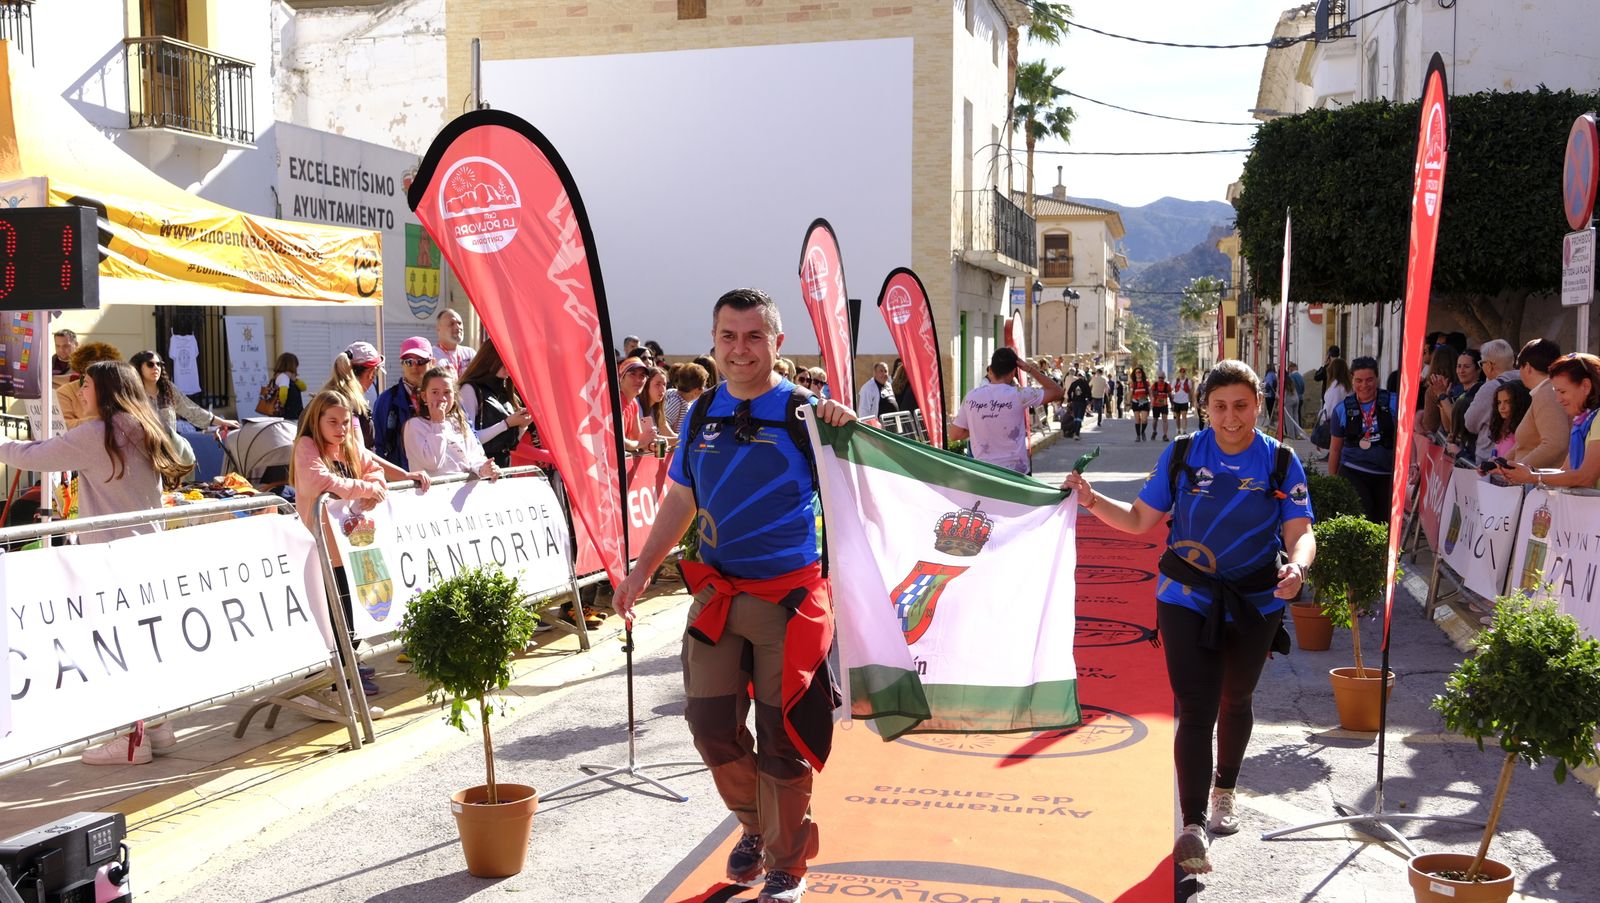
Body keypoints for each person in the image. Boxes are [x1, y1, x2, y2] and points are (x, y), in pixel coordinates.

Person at [612, 287, 857, 903]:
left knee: (782, 736)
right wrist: (640, 573)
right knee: (710, 726)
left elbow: (860, 492)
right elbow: (680, 498)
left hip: (789, 602)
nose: (740, 349)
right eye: (728, 336)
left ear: (777, 342)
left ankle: (787, 863)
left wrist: (847, 430)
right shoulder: (699, 413)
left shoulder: (806, 413)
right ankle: (756, 826)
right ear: (713, 341)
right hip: (717, 595)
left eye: (754, 336)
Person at [1062, 359, 1314, 877]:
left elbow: (1300, 530)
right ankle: (1193, 824)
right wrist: (1091, 500)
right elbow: (1139, 520)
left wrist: (1298, 567)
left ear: (1259, 406)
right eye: (1219, 406)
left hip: (1256, 600)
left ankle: (1225, 789)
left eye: (1241, 405)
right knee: (1196, 707)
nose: (1230, 417)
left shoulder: (1280, 461)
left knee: (1236, 698)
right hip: (1184, 597)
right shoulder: (1181, 454)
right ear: (1204, 408)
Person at [0, 361, 194, 765]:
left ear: (104, 390)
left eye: (85, 384)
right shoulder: (145, 425)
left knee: (116, 648)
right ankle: (158, 727)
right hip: (147, 551)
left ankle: (129, 740)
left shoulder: (98, 433)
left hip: (111, 556)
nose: (80, 391)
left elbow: (35, 456)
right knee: (144, 643)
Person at [290, 390, 394, 709]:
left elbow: (375, 470)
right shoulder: (307, 446)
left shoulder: (350, 446)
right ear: (317, 420)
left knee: (351, 623)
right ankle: (329, 691)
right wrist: (365, 489)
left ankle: (342, 691)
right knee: (331, 626)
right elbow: (318, 481)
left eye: (346, 422)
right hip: (321, 550)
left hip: (352, 550)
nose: (341, 428)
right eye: (332, 421)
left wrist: (374, 489)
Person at [948, 347, 1063, 474]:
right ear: (1013, 373)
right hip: (1016, 474)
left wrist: (982, 426)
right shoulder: (1020, 394)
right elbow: (1057, 392)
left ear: (990, 370)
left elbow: (954, 435)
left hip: (984, 473)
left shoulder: (971, 397)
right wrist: (1029, 369)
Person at [1500, 353, 1600, 490]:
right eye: (1556, 392)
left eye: (1562, 392)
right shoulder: (1582, 423)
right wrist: (1522, 471)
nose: (1558, 399)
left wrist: (1533, 477)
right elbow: (1565, 471)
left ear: (1586, 386)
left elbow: (1586, 477)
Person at [1327, 356, 1397, 522]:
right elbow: (1335, 449)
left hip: (1386, 473)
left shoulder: (1394, 403)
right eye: (1359, 380)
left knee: (1383, 522)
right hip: (1353, 470)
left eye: (1369, 380)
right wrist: (1333, 481)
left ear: (1377, 378)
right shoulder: (1341, 410)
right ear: (1352, 380)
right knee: (1363, 516)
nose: (1364, 385)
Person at [404, 367, 501, 480]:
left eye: (447, 392)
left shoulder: (459, 421)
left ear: (454, 395)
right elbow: (433, 463)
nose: (442, 398)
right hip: (436, 490)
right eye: (435, 392)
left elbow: (474, 456)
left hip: (465, 488)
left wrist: (484, 469)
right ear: (424, 396)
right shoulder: (414, 426)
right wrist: (437, 423)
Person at [457, 340, 535, 468]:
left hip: (504, 467)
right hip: (480, 467)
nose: (508, 366)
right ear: (490, 358)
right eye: (504, 360)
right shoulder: (470, 389)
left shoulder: (506, 391)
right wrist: (506, 424)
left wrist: (522, 425)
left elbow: (510, 444)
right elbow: (468, 438)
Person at [372, 337, 432, 470]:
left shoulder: (445, 395)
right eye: (408, 361)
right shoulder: (386, 399)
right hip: (402, 477)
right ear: (402, 364)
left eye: (421, 361)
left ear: (432, 362)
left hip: (441, 476)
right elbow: (378, 445)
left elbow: (465, 430)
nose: (414, 366)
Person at [1511, 338, 1568, 469]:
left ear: (1528, 367)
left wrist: (1518, 469)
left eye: (1520, 367)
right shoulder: (1544, 392)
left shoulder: (1547, 393)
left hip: (1542, 479)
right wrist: (1501, 462)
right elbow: (1525, 444)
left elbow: (1555, 444)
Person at [1462, 339, 1521, 464]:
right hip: (1520, 456)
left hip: (1491, 459)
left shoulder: (1490, 388)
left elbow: (1470, 423)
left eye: (1481, 363)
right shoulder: (1525, 381)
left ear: (1489, 365)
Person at [59, 342, 123, 428]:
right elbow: (62, 425)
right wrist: (101, 421)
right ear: (81, 370)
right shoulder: (66, 392)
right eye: (90, 369)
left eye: (102, 370)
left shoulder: (118, 388)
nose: (96, 373)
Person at [1485, 381, 1532, 462]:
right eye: (1499, 402)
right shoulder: (1502, 426)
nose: (1501, 407)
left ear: (1520, 403)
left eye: (1508, 402)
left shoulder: (1523, 430)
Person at [665, 362, 709, 435]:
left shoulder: (689, 401)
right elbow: (663, 426)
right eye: (703, 386)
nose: (704, 389)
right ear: (696, 391)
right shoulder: (676, 402)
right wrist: (677, 438)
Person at [433, 309, 476, 375]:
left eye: (459, 323)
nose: (457, 327)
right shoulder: (432, 355)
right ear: (438, 329)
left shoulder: (470, 353)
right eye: (451, 324)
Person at [267, 353, 307, 423]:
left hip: (291, 415)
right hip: (288, 416)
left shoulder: (286, 377)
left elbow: (304, 388)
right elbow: (283, 393)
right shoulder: (283, 377)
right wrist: (281, 406)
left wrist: (295, 379)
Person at [1063, 369, 1091, 440]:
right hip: (1082, 402)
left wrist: (1070, 399)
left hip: (1075, 402)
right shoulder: (1085, 383)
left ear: (1078, 376)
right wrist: (1089, 400)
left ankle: (1075, 433)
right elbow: (1089, 393)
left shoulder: (1074, 383)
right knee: (1079, 418)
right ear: (1083, 376)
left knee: (1075, 418)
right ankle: (1077, 434)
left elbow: (1069, 392)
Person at [1128, 367, 1152, 442]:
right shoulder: (1133, 383)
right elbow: (1130, 393)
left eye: (1139, 372)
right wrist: (1128, 403)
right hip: (1135, 402)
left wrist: (1152, 401)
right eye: (1136, 372)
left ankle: (1142, 432)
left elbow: (1150, 393)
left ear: (1142, 373)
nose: (1138, 374)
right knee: (1137, 420)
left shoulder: (1146, 383)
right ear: (1134, 374)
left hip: (1144, 402)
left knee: (1144, 420)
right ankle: (1138, 436)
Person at [1151, 372, 1173, 442]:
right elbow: (1151, 393)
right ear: (1158, 378)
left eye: (1162, 378)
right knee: (1155, 420)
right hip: (1156, 405)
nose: (1161, 379)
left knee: (1165, 419)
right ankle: (1154, 431)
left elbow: (1170, 395)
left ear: (1164, 378)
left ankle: (1165, 435)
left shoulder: (1167, 386)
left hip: (1164, 405)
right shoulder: (1155, 385)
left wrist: (1172, 404)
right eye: (1159, 378)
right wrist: (1154, 395)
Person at [1172, 367, 1195, 434]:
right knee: (1177, 417)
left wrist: (1192, 400)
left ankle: (1184, 430)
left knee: (1184, 416)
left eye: (1183, 372)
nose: (1182, 373)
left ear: (1185, 373)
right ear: (1179, 373)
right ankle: (1178, 429)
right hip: (1176, 401)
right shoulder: (1175, 381)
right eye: (1181, 372)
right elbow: (1171, 389)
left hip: (1185, 401)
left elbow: (1191, 391)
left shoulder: (1188, 381)